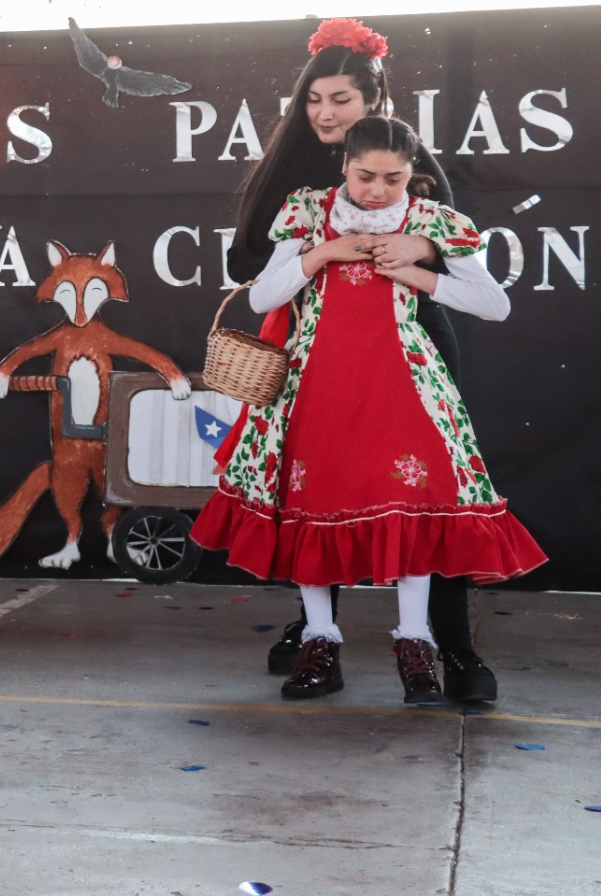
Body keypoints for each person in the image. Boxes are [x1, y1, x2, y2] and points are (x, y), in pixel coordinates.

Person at [192, 116, 546, 704]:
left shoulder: (431, 220)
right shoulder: (307, 212)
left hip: (403, 382)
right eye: (364, 176)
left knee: (410, 505)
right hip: (314, 382)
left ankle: (415, 644)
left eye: (393, 178)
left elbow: (495, 304)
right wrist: (323, 253)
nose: (377, 190)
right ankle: (321, 639)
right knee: (311, 499)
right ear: (344, 167)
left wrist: (415, 269)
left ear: (414, 174)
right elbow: (260, 297)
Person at [229, 18, 496, 703]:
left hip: (412, 343)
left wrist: (421, 255)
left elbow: (451, 247)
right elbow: (246, 265)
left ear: (373, 101)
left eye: (340, 99)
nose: (324, 112)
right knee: (321, 482)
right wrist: (318, 253)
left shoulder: (408, 163)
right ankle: (317, 633)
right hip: (316, 345)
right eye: (314, 98)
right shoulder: (292, 179)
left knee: (427, 490)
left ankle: (450, 647)